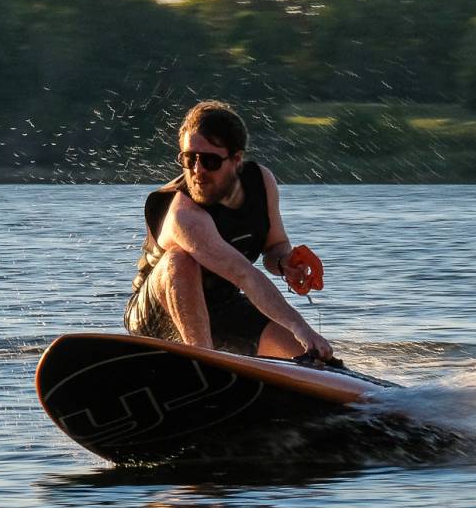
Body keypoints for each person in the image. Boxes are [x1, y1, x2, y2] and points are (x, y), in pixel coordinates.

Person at [125, 100, 335, 362]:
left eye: (210, 161)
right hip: (155, 317)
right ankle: (206, 363)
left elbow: (275, 246)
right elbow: (244, 274)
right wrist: (302, 328)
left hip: (221, 307)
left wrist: (285, 263)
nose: (197, 170)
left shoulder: (261, 182)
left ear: (236, 159)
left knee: (313, 358)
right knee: (179, 258)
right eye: (189, 159)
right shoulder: (184, 214)